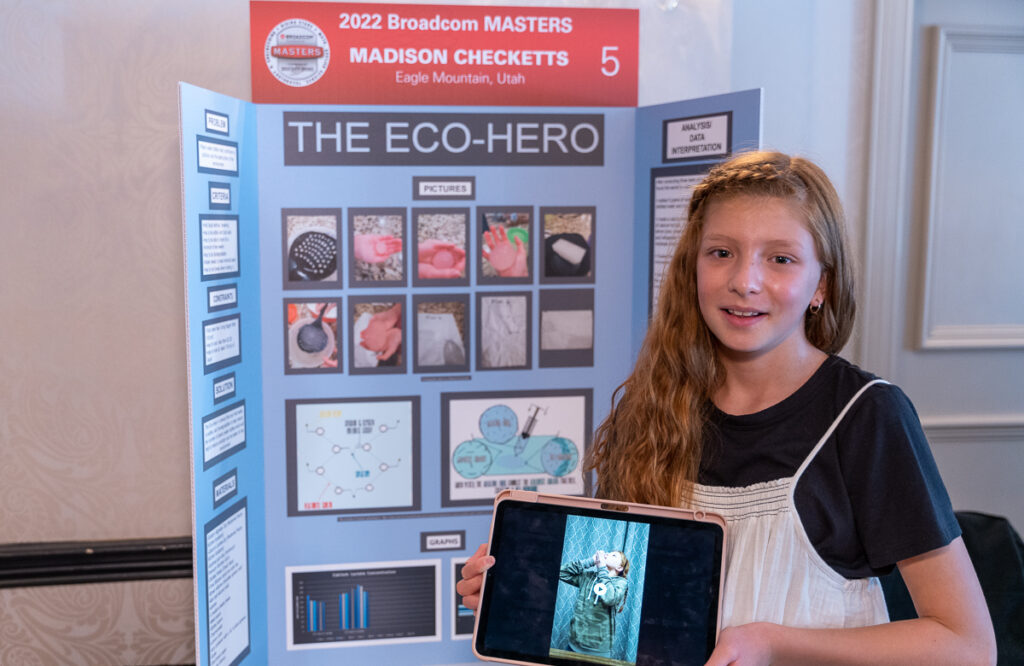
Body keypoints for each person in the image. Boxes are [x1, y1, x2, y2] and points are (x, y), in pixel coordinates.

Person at [458, 151, 996, 665]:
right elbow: (609, 633)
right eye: (722, 253)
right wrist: (522, 601)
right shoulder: (647, 413)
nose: (745, 280)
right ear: (693, 269)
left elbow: (966, 647)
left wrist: (774, 646)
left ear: (821, 286)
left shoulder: (866, 417)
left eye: (780, 258)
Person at [557, 550, 630, 659]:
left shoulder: (620, 583)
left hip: (598, 652)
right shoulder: (588, 577)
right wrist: (590, 561)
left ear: (619, 568)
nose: (607, 554)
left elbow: (610, 598)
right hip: (573, 646)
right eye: (609, 553)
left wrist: (602, 568)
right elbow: (561, 572)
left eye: (613, 555)